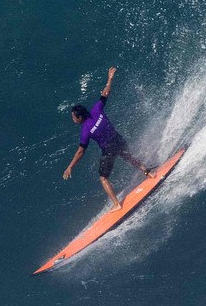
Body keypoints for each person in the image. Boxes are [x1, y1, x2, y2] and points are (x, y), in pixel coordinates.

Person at [63, 67, 155, 209]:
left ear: (79, 117)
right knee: (129, 157)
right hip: (118, 139)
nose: (73, 119)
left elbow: (81, 152)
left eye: (73, 117)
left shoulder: (85, 130)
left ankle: (116, 204)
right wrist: (109, 78)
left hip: (109, 149)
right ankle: (148, 172)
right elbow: (105, 93)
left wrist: (70, 166)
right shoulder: (96, 109)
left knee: (103, 178)